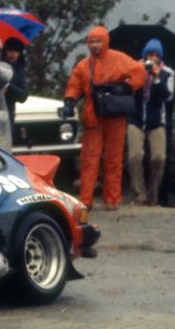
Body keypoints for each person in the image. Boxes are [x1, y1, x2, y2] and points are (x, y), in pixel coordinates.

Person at [63, 26, 148, 210]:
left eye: (98, 41)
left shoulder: (119, 59)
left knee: (114, 158)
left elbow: (140, 73)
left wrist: (126, 87)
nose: (94, 45)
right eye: (91, 42)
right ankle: (86, 200)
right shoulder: (83, 65)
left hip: (114, 115)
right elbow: (74, 85)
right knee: (89, 159)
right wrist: (69, 102)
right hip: (93, 115)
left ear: (105, 42)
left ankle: (112, 199)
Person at [125, 39, 175, 206]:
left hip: (157, 121)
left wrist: (156, 78)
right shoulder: (136, 68)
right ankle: (139, 195)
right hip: (136, 119)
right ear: (145, 55)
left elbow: (168, 96)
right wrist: (137, 71)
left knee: (159, 157)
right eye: (150, 55)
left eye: (156, 55)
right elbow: (128, 89)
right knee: (135, 156)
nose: (152, 58)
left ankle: (153, 195)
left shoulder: (168, 72)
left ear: (160, 57)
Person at [2, 37, 30, 138]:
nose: (13, 54)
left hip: (7, 117)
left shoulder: (19, 71)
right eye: (10, 50)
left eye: (16, 51)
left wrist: (8, 87)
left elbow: (23, 96)